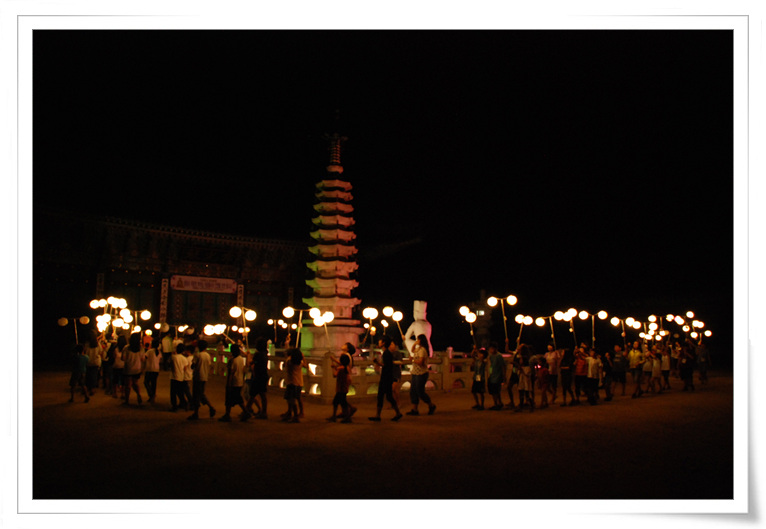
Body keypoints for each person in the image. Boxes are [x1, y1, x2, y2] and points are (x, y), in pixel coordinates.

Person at [406, 334, 436, 416]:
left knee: (420, 392)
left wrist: (412, 360)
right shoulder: (418, 348)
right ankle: (414, 409)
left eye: (418, 339)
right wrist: (415, 344)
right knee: (413, 391)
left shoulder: (423, 350)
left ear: (421, 340)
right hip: (415, 372)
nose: (417, 340)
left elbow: (420, 362)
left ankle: (431, 405)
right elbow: (412, 351)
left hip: (422, 373)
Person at [219, 343, 249, 422]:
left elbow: (231, 373)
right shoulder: (241, 359)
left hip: (234, 382)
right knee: (237, 398)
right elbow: (243, 370)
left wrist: (229, 383)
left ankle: (228, 414)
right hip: (239, 381)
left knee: (231, 398)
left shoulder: (233, 360)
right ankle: (244, 412)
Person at [328, 345, 357, 423]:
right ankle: (345, 415)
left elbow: (335, 375)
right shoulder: (346, 367)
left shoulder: (341, 368)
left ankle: (345, 416)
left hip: (340, 388)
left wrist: (332, 368)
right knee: (342, 401)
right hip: (344, 387)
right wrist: (334, 363)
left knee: (338, 402)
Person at [188, 340, 216, 420]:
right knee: (200, 393)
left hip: (198, 377)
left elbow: (193, 366)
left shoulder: (198, 355)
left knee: (197, 395)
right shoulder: (207, 355)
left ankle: (199, 412)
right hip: (204, 376)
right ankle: (209, 408)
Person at [245, 337, 269, 419]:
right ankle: (263, 412)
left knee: (252, 395)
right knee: (262, 395)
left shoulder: (258, 355)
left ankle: (246, 411)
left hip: (258, 376)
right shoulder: (265, 354)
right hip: (264, 375)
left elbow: (249, 364)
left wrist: (248, 356)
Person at [281, 348, 305, 423]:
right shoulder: (300, 363)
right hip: (298, 383)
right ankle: (291, 413)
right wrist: (303, 357)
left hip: (291, 383)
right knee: (296, 398)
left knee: (291, 400)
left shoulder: (289, 362)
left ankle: (295, 416)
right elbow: (306, 365)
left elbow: (285, 364)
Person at [122, 333, 146, 405]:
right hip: (137, 368)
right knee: (135, 383)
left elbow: (123, 358)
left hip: (128, 368)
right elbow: (143, 359)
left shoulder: (126, 348)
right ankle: (138, 395)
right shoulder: (141, 349)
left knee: (128, 385)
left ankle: (127, 400)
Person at [169, 343, 189, 412]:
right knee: (180, 392)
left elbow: (170, 365)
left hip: (174, 376)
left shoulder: (173, 357)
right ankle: (184, 403)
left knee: (173, 393)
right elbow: (185, 368)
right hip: (181, 377)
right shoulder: (184, 359)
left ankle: (174, 406)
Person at [486, 341, 505, 410]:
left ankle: (496, 404)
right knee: (494, 391)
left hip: (497, 376)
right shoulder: (491, 356)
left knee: (496, 391)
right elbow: (491, 366)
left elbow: (503, 366)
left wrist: (503, 376)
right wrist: (490, 373)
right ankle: (498, 403)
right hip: (492, 376)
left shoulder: (499, 356)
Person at [514, 344, 533, 412]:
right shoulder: (521, 356)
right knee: (521, 390)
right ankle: (522, 405)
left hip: (525, 372)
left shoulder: (525, 357)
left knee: (526, 390)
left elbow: (521, 364)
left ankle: (531, 405)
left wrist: (518, 364)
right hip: (522, 373)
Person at [143, 338, 161, 403]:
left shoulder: (149, 351)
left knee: (146, 382)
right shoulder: (159, 352)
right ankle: (152, 396)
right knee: (154, 383)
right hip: (156, 369)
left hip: (149, 369)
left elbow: (144, 358)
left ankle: (151, 395)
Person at [470, 345, 487, 410]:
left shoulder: (483, 362)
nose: (479, 355)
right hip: (476, 377)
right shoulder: (477, 361)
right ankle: (477, 403)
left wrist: (477, 352)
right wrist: (474, 350)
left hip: (481, 378)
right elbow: (472, 355)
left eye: (481, 354)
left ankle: (482, 405)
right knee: (474, 391)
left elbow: (483, 361)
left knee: (481, 392)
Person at [112, 335, 126, 399]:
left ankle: (115, 393)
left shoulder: (115, 348)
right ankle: (123, 393)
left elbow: (113, 357)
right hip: (124, 366)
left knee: (115, 380)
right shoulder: (126, 348)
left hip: (116, 365)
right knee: (123, 380)